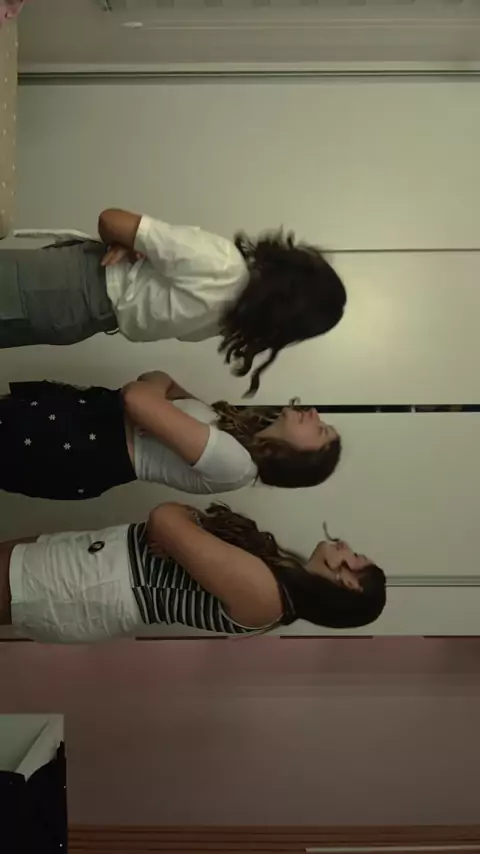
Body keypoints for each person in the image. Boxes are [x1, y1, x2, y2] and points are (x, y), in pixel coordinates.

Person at [2, 210, 347, 395]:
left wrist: (127, 242)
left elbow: (112, 220)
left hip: (66, 283)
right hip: (79, 321)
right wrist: (135, 247)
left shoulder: (223, 263)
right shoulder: (225, 321)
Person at [0, 502, 387, 643]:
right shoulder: (277, 583)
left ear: (349, 584)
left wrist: (183, 523)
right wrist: (182, 533)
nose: (346, 546)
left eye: (356, 558)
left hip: (89, 583)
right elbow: (175, 532)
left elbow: (164, 520)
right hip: (95, 568)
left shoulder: (266, 594)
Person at [0, 371, 341, 500]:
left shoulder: (236, 463)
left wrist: (152, 403)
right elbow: (156, 377)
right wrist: (152, 404)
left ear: (302, 459)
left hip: (79, 445)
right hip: (83, 424)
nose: (313, 413)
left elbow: (136, 397)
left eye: (321, 430)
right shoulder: (229, 431)